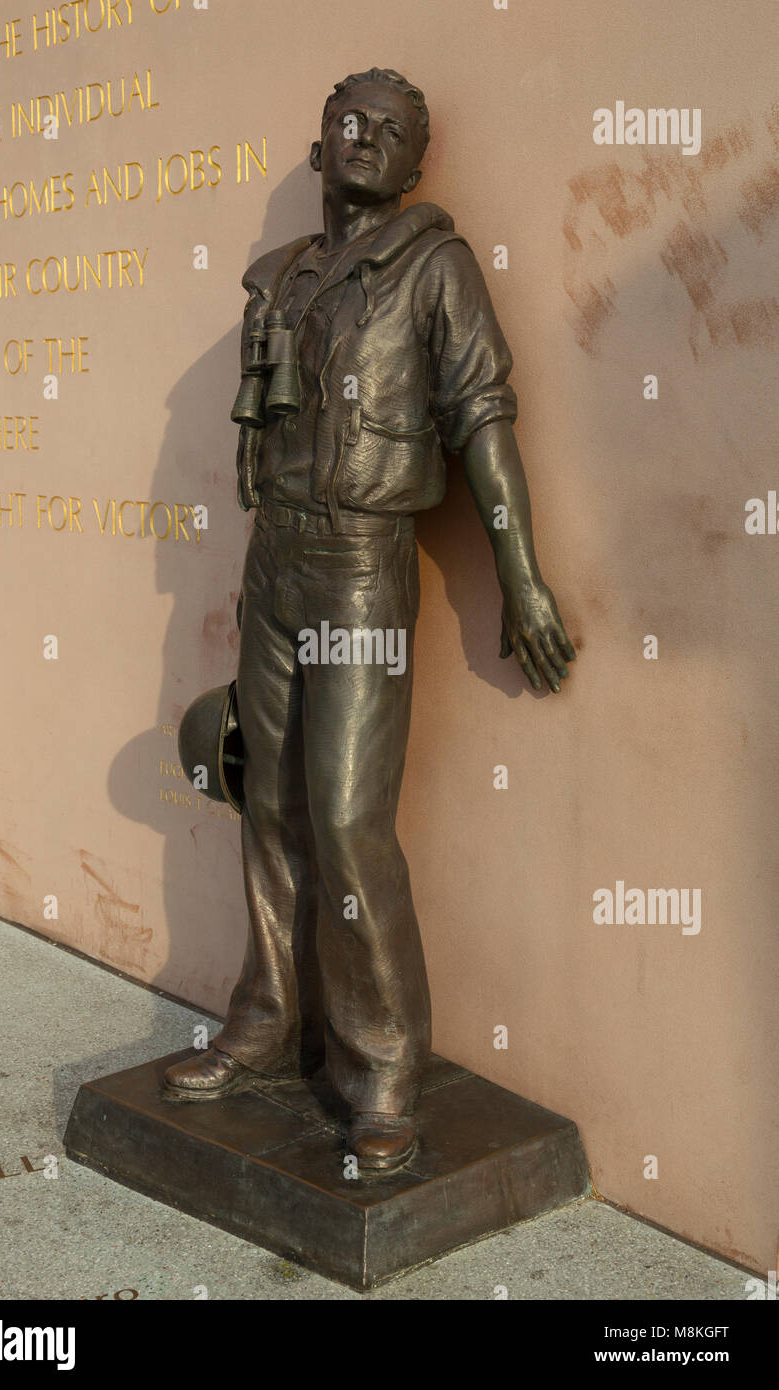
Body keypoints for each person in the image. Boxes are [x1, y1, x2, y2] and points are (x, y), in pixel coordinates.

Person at [164, 67, 576, 1174]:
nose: (364, 137)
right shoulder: (285, 278)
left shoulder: (434, 269)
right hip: (276, 563)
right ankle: (264, 1023)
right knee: (266, 802)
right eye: (348, 121)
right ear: (320, 145)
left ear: (413, 161)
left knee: (346, 818)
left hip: (360, 566)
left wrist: (521, 572)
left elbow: (483, 417)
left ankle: (383, 1070)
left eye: (389, 131)